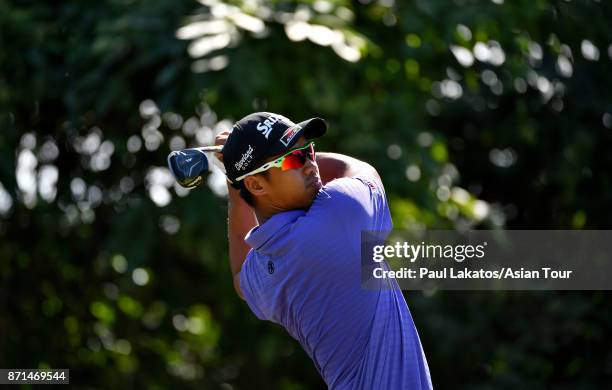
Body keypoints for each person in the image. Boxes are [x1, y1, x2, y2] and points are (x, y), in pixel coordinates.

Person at [215, 112, 432, 389]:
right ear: (256, 184)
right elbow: (360, 171)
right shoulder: (340, 211)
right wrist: (238, 176)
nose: (310, 165)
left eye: (310, 151)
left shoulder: (263, 268)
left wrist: (236, 183)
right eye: (294, 159)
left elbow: (238, 275)